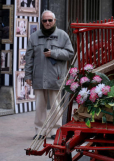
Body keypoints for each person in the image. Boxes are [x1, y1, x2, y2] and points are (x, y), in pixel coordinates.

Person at [24, 10, 74, 140]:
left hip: (55, 76)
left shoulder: (62, 35)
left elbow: (70, 53)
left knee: (55, 105)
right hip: (39, 76)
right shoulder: (34, 37)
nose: (47, 23)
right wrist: (28, 75)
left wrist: (54, 53)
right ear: (41, 22)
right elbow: (29, 58)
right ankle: (40, 130)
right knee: (40, 105)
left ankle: (55, 130)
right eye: (44, 20)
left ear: (54, 21)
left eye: (50, 20)